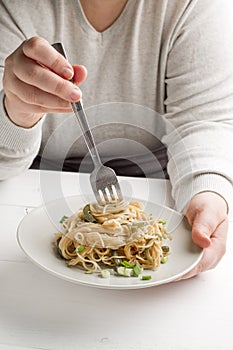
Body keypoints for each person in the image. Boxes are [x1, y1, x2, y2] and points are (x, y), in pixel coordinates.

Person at [0, 0, 233, 280]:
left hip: (164, 178)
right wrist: (17, 112)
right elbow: (5, 162)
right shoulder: (13, 7)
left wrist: (206, 192)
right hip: (30, 183)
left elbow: (203, 123)